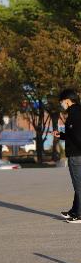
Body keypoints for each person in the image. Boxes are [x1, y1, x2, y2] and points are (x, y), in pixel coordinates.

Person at [54, 89, 81, 222]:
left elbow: (77, 136)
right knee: (79, 185)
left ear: (67, 101)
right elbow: (73, 134)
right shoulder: (76, 112)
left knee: (78, 185)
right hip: (76, 153)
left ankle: (79, 214)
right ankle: (74, 210)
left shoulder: (75, 114)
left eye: (62, 102)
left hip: (76, 155)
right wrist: (62, 135)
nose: (61, 104)